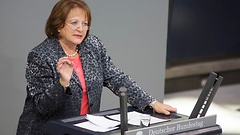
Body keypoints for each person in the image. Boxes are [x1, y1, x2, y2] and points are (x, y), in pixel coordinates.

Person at [17, 0, 177, 135]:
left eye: (85, 23)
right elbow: (42, 107)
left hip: (83, 128)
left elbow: (116, 78)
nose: (80, 28)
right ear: (59, 25)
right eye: (74, 23)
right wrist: (62, 83)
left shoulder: (92, 46)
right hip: (48, 130)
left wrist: (151, 102)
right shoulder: (41, 55)